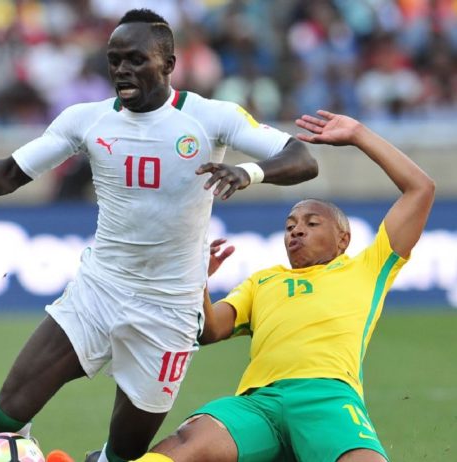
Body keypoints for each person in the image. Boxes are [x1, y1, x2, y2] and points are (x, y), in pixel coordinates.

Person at [0, 9, 318, 462]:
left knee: (124, 456)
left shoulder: (211, 117)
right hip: (99, 291)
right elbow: (13, 171)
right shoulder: (87, 120)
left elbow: (301, 158)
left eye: (135, 59)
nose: (122, 70)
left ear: (168, 64)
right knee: (6, 416)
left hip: (170, 309)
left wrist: (248, 172)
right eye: (114, 60)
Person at [132, 110, 435, 462]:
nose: (297, 230)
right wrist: (196, 278)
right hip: (258, 403)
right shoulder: (262, 281)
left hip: (327, 398)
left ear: (343, 239)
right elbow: (209, 330)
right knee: (186, 443)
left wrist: (358, 134)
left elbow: (421, 189)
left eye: (312, 223)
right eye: (290, 226)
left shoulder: (367, 267)